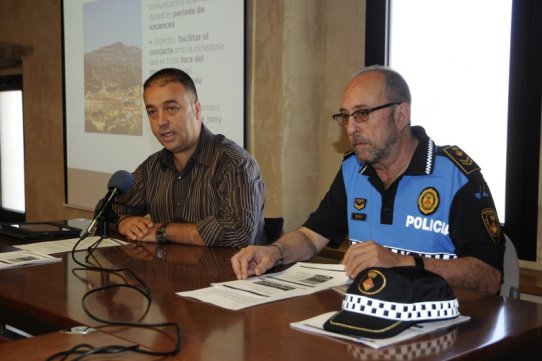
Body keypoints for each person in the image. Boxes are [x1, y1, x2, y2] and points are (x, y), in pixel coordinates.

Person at [231, 65, 504, 294]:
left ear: (401, 115)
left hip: (444, 330)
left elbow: (489, 276)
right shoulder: (354, 169)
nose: (351, 128)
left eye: (362, 114)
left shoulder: (456, 176)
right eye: (345, 116)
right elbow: (311, 237)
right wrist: (274, 251)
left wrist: (402, 262)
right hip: (368, 320)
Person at [108, 68, 265, 247]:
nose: (160, 121)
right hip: (165, 273)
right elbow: (106, 211)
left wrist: (162, 231)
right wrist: (123, 222)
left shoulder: (236, 164)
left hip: (227, 274)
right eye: (152, 112)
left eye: (171, 108)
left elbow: (238, 232)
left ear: (196, 110)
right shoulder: (152, 167)